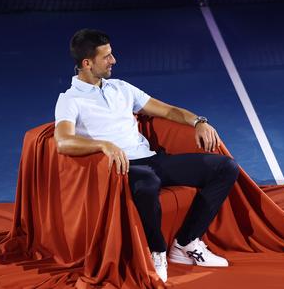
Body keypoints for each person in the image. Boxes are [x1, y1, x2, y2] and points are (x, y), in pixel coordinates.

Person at [54, 29, 240, 283]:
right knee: (148, 184)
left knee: (225, 168)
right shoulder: (69, 100)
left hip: (152, 159)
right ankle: (157, 251)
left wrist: (199, 121)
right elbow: (63, 141)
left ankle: (186, 243)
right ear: (87, 63)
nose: (114, 60)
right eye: (106, 56)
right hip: (122, 168)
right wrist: (103, 145)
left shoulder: (121, 88)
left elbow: (167, 110)